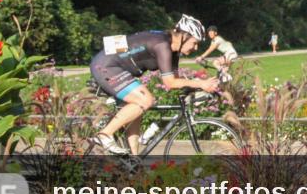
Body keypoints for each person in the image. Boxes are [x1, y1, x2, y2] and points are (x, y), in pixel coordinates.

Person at [89, 15, 218, 154]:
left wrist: (198, 86)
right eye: (195, 42)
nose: (196, 47)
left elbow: (176, 79)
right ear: (184, 37)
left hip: (116, 65)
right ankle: (104, 135)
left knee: (138, 109)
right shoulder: (162, 45)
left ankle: (132, 159)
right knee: (146, 100)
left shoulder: (173, 50)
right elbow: (169, 83)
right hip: (106, 65)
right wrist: (201, 84)